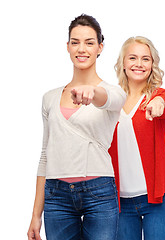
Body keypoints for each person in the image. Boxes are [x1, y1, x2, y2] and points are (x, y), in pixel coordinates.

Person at [27, 14, 126, 240]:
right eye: (75, 42)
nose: (82, 49)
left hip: (99, 191)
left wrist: (93, 92)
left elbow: (109, 99)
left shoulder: (114, 92)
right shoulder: (49, 98)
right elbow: (45, 155)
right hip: (56, 194)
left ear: (100, 47)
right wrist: (35, 214)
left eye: (89, 42)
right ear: (68, 47)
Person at [109, 36, 165, 240]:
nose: (139, 64)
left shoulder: (159, 94)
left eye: (145, 59)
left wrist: (157, 104)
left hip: (155, 200)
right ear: (123, 63)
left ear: (152, 64)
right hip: (120, 202)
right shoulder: (112, 100)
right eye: (133, 58)